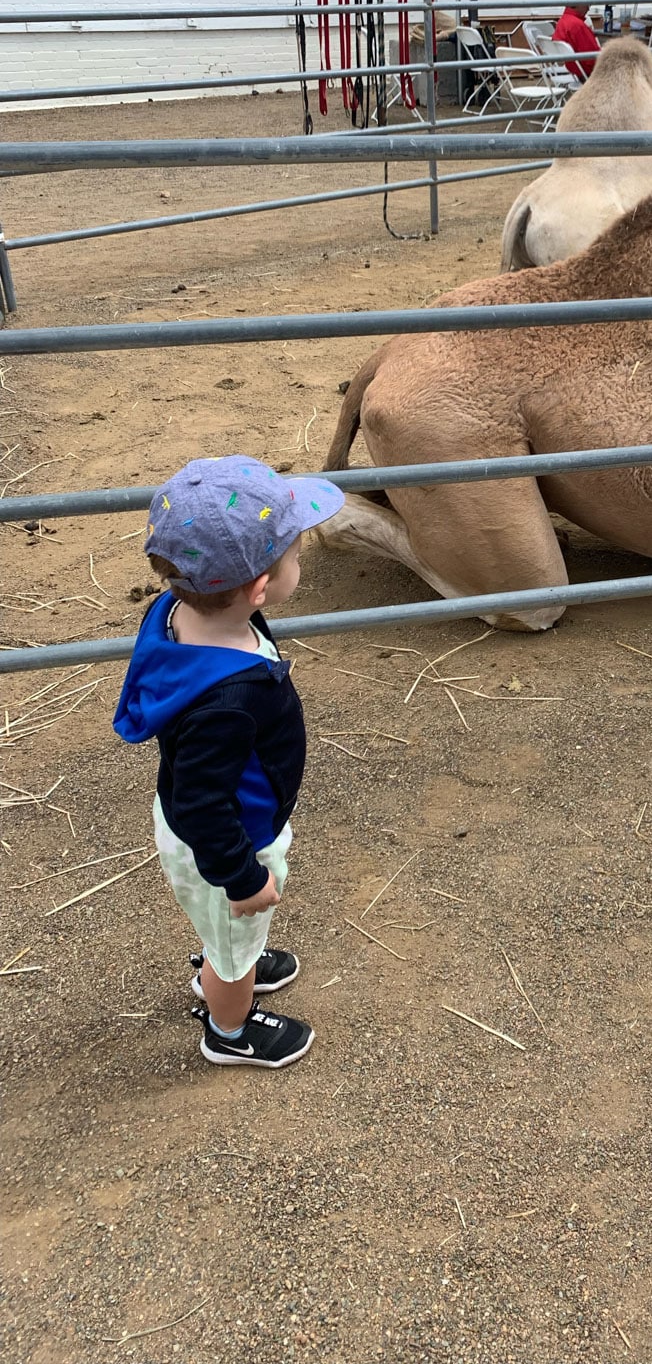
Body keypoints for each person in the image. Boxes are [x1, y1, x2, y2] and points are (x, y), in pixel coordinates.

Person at [113, 456, 345, 1070]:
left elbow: (196, 792)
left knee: (225, 926)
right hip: (229, 837)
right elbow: (202, 804)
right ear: (260, 588)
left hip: (207, 825)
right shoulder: (229, 699)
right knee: (236, 944)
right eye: (294, 555)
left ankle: (226, 948)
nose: (299, 563)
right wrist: (241, 879)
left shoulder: (175, 615)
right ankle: (229, 1024)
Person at [552, 0, 602, 83]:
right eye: (588, 4)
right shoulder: (577, 26)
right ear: (580, 3)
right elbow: (592, 59)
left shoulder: (562, 21)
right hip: (591, 75)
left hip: (576, 72)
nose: (588, 8)